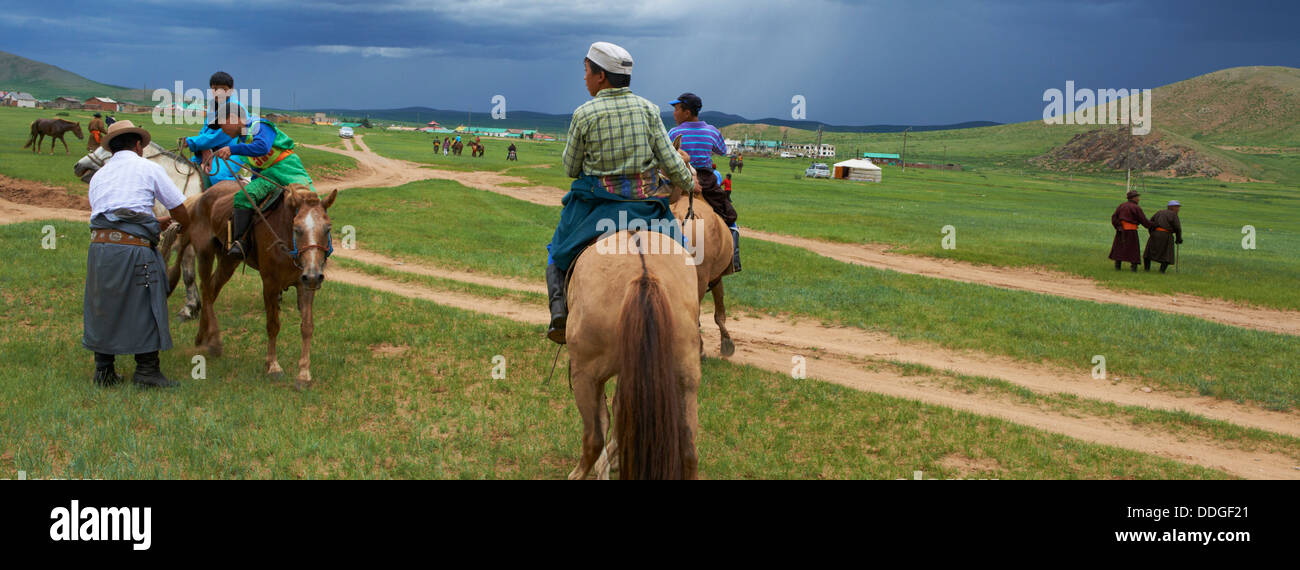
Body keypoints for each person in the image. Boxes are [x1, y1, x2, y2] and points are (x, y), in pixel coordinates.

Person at [544, 41, 695, 344]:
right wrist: (689, 183)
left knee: (557, 252)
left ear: (601, 76)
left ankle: (559, 314)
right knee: (683, 255)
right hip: (647, 207)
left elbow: (571, 169)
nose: (584, 78)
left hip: (595, 207)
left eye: (586, 71)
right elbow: (671, 160)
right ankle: (690, 317)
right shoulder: (650, 110)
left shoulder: (584, 114)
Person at [84, 121, 192, 388]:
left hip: (99, 249)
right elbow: (179, 208)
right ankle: (147, 371)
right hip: (134, 251)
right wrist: (182, 223)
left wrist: (154, 223)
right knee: (147, 302)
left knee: (104, 305)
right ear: (138, 145)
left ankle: (104, 370)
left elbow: (112, 216)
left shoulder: (99, 175)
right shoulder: (149, 168)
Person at [212, 104, 316, 259]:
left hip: (288, 168)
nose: (222, 130)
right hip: (268, 175)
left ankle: (321, 245)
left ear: (232, 119)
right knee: (243, 196)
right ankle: (241, 242)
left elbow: (262, 147)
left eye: (222, 125)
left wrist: (232, 150)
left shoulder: (258, 125)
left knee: (310, 200)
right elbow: (257, 168)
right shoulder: (242, 139)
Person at [668, 92, 741, 273]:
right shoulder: (712, 131)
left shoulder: (674, 132)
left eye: (677, 109)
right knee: (730, 216)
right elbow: (722, 150)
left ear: (687, 112)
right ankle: (733, 259)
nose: (674, 113)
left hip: (679, 178)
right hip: (706, 181)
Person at [180, 71, 249, 185]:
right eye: (215, 88)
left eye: (223, 89)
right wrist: (203, 149)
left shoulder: (235, 108)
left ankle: (244, 186)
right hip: (213, 149)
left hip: (234, 151)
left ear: (231, 90)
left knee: (217, 177)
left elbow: (221, 136)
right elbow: (205, 129)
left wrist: (192, 142)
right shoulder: (213, 106)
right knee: (187, 169)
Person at [1109, 190, 1155, 271]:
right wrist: (1152, 224)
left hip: (1121, 231)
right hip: (1131, 232)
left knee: (1120, 248)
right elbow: (1143, 220)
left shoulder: (1121, 206)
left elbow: (1114, 218)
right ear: (1133, 198)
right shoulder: (1136, 207)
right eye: (1137, 197)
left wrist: (1118, 226)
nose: (1138, 199)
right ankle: (1133, 268)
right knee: (1133, 250)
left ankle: (1117, 267)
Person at [1144, 200, 1184, 273]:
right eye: (1176, 207)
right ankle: (1161, 271)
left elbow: (1150, 222)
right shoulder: (1173, 215)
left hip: (1155, 234)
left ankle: (1147, 269)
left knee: (1149, 253)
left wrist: (1152, 233)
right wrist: (1179, 239)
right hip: (1166, 235)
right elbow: (1178, 228)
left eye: (1178, 207)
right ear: (1171, 207)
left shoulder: (1159, 212)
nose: (1178, 209)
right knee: (1167, 254)